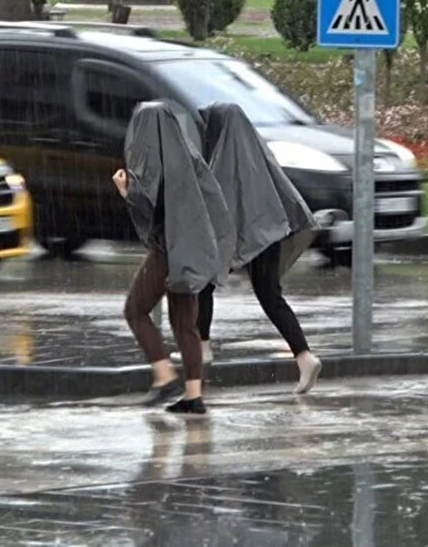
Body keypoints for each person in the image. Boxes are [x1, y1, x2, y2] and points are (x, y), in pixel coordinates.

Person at [184, 102, 324, 394]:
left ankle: (203, 346)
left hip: (248, 237)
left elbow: (217, 204)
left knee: (204, 282)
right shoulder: (256, 154)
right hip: (270, 235)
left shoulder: (224, 159)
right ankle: (305, 357)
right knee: (271, 297)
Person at [114, 100, 234, 415]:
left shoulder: (154, 162)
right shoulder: (190, 157)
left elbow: (149, 209)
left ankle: (163, 373)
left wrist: (126, 192)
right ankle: (193, 396)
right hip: (193, 247)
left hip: (168, 249)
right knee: (185, 324)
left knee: (135, 310)